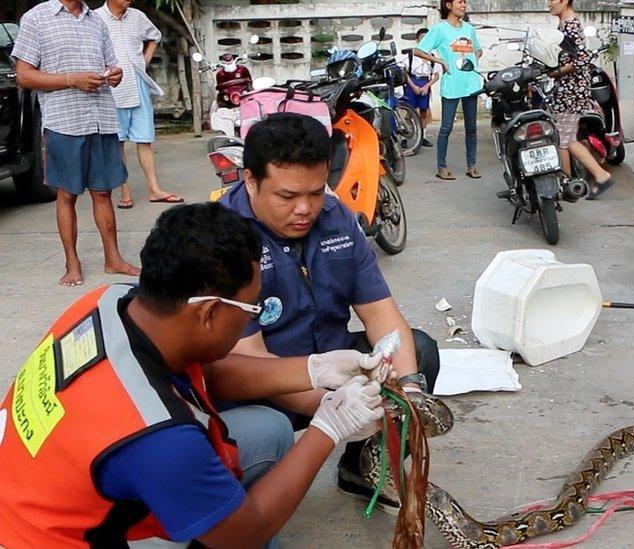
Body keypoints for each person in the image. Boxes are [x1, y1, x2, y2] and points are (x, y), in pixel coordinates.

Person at [0, 203, 387, 547]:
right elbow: (243, 534)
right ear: (208, 313)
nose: (253, 318)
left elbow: (210, 372)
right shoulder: (156, 438)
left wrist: (313, 368)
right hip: (49, 537)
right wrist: (328, 430)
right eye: (252, 309)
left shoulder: (111, 302)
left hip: (34, 488)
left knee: (267, 429)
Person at [217, 113, 442, 514]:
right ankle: (248, 503)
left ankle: (362, 468)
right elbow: (249, 363)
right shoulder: (223, 238)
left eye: (316, 192)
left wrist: (408, 392)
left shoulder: (337, 219)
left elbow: (381, 315)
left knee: (419, 352)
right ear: (250, 179)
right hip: (265, 386)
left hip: (339, 365)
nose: (305, 208)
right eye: (287, 197)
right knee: (259, 435)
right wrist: (336, 412)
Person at [12, 0, 140, 286]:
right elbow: (24, 75)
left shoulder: (97, 21)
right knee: (67, 195)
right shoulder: (37, 18)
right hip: (64, 122)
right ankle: (72, 263)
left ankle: (113, 259)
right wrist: (72, 80)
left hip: (102, 119)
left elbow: (111, 64)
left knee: (103, 192)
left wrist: (114, 74)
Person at [96, 0, 184, 208]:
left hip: (137, 82)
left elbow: (154, 36)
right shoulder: (95, 18)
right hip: (112, 87)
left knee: (144, 139)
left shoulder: (136, 16)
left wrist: (144, 60)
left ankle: (154, 189)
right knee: (116, 142)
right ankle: (124, 191)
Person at [545, 0, 617, 200]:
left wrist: (556, 72)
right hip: (569, 88)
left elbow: (581, 59)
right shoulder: (564, 23)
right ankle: (592, 177)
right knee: (565, 138)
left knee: (563, 138)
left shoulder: (570, 24)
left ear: (564, 1)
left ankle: (569, 182)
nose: (548, 3)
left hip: (571, 89)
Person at [413, 0, 484, 180]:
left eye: (465, 2)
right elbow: (418, 51)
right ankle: (441, 167)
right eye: (460, 2)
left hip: (471, 85)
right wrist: (442, 62)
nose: (464, 5)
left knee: (472, 128)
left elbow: (478, 50)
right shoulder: (440, 29)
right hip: (452, 84)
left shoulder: (469, 29)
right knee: (446, 128)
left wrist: (472, 61)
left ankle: (472, 165)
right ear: (449, 5)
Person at [402, 27, 441, 148]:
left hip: (425, 83)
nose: (424, 40)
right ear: (417, 39)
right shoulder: (411, 54)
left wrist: (426, 87)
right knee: (409, 111)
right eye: (422, 38)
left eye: (427, 38)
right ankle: (405, 137)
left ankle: (422, 137)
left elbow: (436, 75)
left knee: (424, 112)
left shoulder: (432, 56)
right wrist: (413, 86)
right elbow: (404, 72)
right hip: (411, 82)